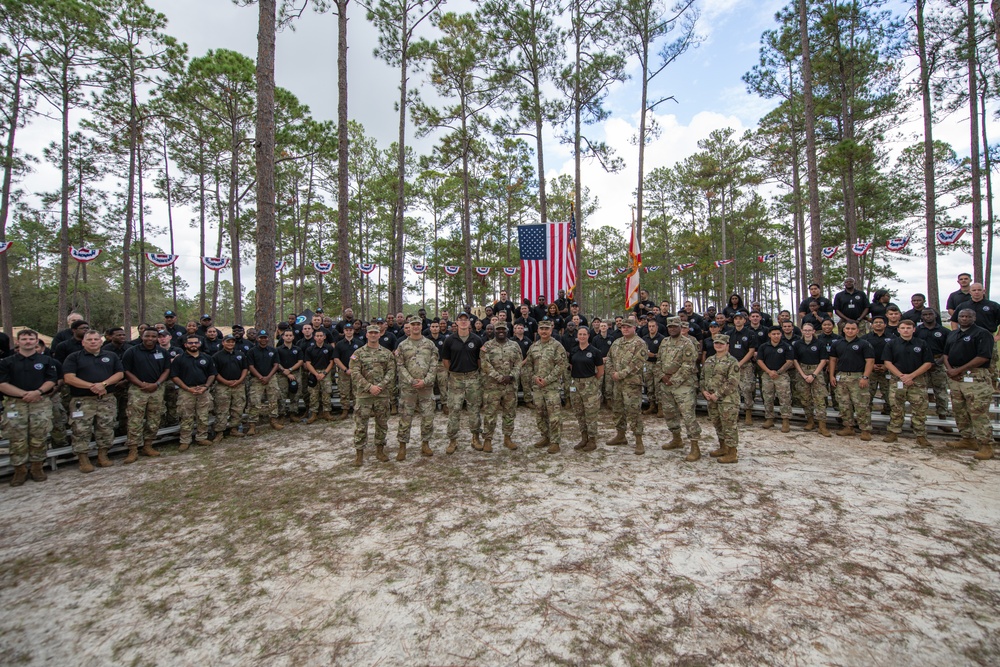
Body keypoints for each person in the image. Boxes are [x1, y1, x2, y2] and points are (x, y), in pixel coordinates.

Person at [0, 330, 59, 486]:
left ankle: (37, 467)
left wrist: (37, 392)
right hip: (16, 404)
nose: (27, 341)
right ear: (17, 342)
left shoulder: (46, 360)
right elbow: (2, 384)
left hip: (39, 402)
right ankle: (19, 470)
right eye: (24, 339)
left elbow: (52, 380)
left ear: (36, 341)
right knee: (16, 438)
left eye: (31, 339)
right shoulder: (6, 362)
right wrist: (25, 394)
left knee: (39, 435)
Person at [63, 331, 124, 472]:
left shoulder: (111, 356)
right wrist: (92, 386)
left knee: (106, 428)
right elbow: (69, 378)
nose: (93, 342)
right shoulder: (74, 357)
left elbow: (120, 374)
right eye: (89, 339)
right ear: (83, 342)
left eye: (96, 339)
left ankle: (102, 456)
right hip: (83, 400)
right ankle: (83, 460)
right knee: (81, 430)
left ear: (101, 342)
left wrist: (103, 384)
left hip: (106, 399)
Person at [944, 309, 996, 460]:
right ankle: (967, 439)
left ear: (974, 318)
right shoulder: (953, 334)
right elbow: (945, 354)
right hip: (954, 377)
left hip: (975, 377)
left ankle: (986, 445)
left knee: (977, 411)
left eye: (968, 316)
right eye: (962, 316)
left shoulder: (982, 334)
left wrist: (959, 370)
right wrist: (950, 370)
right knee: (959, 409)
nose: (964, 318)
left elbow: (983, 357)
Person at [121, 327, 171, 462]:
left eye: (153, 336)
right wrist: (140, 384)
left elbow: (167, 370)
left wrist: (157, 384)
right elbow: (126, 371)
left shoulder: (162, 352)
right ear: (142, 336)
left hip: (157, 389)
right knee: (135, 420)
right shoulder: (131, 352)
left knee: (154, 419)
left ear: (157, 338)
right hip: (138, 390)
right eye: (147, 336)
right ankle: (133, 450)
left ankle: (148, 446)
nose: (150, 339)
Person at [882, 319, 935, 447]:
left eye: (908, 328)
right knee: (896, 408)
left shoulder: (921, 344)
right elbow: (887, 362)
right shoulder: (891, 344)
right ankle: (893, 432)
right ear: (898, 330)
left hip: (917, 381)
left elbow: (928, 363)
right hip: (897, 380)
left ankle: (920, 435)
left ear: (914, 329)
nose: (906, 330)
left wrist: (911, 376)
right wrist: (901, 376)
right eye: (903, 328)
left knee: (919, 409)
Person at [350, 324, 396, 466]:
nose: (374, 335)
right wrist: (369, 387)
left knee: (382, 424)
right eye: (371, 333)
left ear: (380, 334)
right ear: (367, 335)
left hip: (382, 395)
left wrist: (380, 386)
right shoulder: (358, 353)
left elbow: (391, 372)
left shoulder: (387, 353)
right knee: (361, 425)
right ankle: (359, 453)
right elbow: (355, 372)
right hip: (364, 395)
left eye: (376, 333)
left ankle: (380, 450)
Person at [657, 316, 702, 460]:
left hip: (683, 384)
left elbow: (689, 365)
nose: (672, 329)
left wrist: (674, 380)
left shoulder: (687, 343)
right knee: (670, 413)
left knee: (688, 415)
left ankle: (695, 447)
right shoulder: (664, 342)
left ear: (680, 327)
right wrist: (662, 376)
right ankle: (677, 439)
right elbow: (658, 361)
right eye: (670, 327)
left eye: (675, 326)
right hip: (666, 383)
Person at [395, 317, 439, 459]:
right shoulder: (402, 345)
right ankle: (402, 446)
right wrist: (411, 380)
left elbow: (434, 365)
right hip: (408, 388)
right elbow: (400, 366)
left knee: (427, 417)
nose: (415, 327)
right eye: (412, 324)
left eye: (418, 324)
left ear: (421, 326)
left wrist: (425, 381)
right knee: (405, 417)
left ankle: (425, 444)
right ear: (409, 326)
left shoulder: (430, 345)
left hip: (426, 388)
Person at [441, 312, 484, 454]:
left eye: (466, 320)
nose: (464, 322)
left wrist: (473, 372)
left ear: (470, 323)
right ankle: (452, 441)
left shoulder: (477, 340)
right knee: (454, 410)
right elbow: (445, 360)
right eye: (461, 320)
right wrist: (454, 372)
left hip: (473, 378)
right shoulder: (450, 340)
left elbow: (479, 360)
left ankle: (475, 438)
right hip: (455, 379)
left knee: (474, 410)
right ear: (456, 322)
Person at [605, 316, 647, 455]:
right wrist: (612, 372)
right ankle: (620, 435)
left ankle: (638, 440)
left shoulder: (640, 343)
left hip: (631, 384)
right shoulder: (617, 343)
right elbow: (609, 358)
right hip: (617, 383)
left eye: (628, 327)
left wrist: (621, 374)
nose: (625, 329)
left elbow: (637, 363)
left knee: (633, 411)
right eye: (623, 327)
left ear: (634, 328)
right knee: (618, 410)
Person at [480, 322, 523, 453]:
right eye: (498, 329)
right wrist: (499, 377)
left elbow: (519, 363)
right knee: (490, 413)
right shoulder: (487, 346)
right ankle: (488, 440)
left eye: (503, 329)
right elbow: (485, 364)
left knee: (509, 413)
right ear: (494, 331)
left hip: (510, 386)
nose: (500, 331)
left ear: (507, 331)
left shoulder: (514, 346)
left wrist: (511, 376)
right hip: (492, 386)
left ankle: (507, 438)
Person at [525, 318, 566, 454]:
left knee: (554, 415)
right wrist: (535, 378)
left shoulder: (557, 346)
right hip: (537, 387)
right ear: (538, 330)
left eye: (546, 329)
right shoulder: (533, 347)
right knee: (540, 414)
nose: (544, 331)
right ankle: (545, 437)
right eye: (541, 329)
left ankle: (555, 442)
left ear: (551, 330)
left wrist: (547, 380)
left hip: (551, 387)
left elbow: (561, 366)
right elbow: (529, 365)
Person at [829, 321, 875, 440]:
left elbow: (870, 361)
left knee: (861, 405)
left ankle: (865, 429)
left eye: (853, 329)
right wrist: (832, 375)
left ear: (857, 330)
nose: (850, 331)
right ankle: (848, 427)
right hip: (842, 377)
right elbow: (833, 360)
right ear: (843, 330)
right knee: (844, 404)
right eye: (848, 328)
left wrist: (865, 377)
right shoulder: (837, 344)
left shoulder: (864, 344)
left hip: (858, 377)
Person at [171, 334, 218, 450]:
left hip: (203, 390)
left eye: (195, 343)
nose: (193, 345)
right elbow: (174, 376)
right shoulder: (179, 359)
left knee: (203, 415)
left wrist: (206, 386)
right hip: (187, 391)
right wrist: (187, 388)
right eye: (190, 343)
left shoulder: (206, 358)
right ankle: (185, 440)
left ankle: (201, 438)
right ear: (185, 345)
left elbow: (212, 374)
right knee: (186, 416)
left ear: (199, 344)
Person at [701, 335, 741, 464]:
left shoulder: (732, 361)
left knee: (729, 426)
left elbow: (732, 382)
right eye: (716, 343)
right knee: (718, 424)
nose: (718, 345)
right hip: (711, 399)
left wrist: (718, 394)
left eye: (721, 343)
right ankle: (723, 447)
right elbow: (702, 377)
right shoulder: (709, 360)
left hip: (727, 400)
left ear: (727, 345)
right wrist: (704, 391)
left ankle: (732, 453)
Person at [949, 283, 1000, 382]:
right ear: (970, 292)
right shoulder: (963, 306)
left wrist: (998, 336)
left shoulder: (993, 306)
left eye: (979, 290)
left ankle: (993, 385)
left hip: (987, 338)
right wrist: (955, 333)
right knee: (968, 360)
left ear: (983, 291)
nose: (977, 292)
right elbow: (954, 320)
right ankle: (969, 381)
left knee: (991, 361)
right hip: (966, 337)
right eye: (974, 290)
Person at [915, 308, 953, 429]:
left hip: (938, 364)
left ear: (935, 315)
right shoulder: (917, 331)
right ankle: (919, 420)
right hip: (920, 365)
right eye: (925, 315)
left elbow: (948, 350)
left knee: (940, 392)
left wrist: (938, 362)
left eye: (930, 314)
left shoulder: (944, 331)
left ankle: (943, 418)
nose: (928, 316)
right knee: (920, 393)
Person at [792, 323, 831, 436]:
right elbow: (795, 360)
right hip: (802, 371)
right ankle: (810, 421)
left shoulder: (820, 343)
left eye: (809, 330)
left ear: (814, 331)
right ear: (802, 331)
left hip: (816, 371)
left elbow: (823, 360)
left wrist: (814, 375)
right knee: (805, 398)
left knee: (819, 399)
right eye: (805, 330)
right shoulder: (798, 344)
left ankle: (822, 425)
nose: (807, 332)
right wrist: (803, 375)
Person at [756, 326, 795, 432]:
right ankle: (769, 419)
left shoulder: (787, 346)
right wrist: (769, 372)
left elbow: (790, 361)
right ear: (769, 335)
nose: (776, 336)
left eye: (778, 334)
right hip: (767, 375)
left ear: (781, 334)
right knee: (768, 398)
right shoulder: (763, 347)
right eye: (773, 334)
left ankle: (785, 421)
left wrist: (778, 372)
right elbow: (759, 360)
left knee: (784, 398)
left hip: (781, 376)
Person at [212, 335, 249, 439]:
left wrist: (240, 381)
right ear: (223, 343)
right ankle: (219, 432)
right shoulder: (217, 356)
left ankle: (234, 429)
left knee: (237, 408)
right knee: (221, 409)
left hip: (238, 385)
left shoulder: (240, 354)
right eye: (228, 342)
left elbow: (245, 369)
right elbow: (215, 372)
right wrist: (226, 382)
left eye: (232, 342)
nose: (230, 344)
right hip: (223, 387)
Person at [247, 330, 284, 433]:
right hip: (256, 380)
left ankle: (273, 420)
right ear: (257, 339)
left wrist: (268, 377)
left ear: (268, 338)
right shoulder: (252, 351)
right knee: (254, 402)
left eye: (265, 337)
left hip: (271, 378)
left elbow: (276, 364)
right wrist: (260, 377)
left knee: (273, 400)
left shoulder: (273, 350)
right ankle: (252, 425)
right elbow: (250, 366)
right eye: (261, 338)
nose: (263, 340)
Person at [728, 312, 758, 424]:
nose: (738, 321)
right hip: (732, 365)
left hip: (746, 365)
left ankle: (748, 414)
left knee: (747, 389)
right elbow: (727, 348)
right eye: (736, 319)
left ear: (745, 320)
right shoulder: (729, 333)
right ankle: (735, 413)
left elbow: (751, 351)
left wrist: (740, 363)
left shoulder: (750, 334)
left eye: (740, 319)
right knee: (733, 390)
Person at [862, 316, 895, 415]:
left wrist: (887, 366)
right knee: (867, 395)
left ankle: (890, 415)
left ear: (885, 324)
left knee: (890, 395)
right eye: (876, 322)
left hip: (887, 370)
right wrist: (871, 366)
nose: (878, 324)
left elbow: (897, 354)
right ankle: (866, 416)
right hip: (870, 371)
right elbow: (860, 355)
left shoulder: (893, 338)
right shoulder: (865, 338)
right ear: (872, 325)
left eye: (881, 322)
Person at [304, 329, 335, 423]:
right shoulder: (310, 349)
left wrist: (324, 373)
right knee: (314, 394)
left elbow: (332, 362)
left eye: (321, 336)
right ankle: (314, 414)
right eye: (317, 336)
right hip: (314, 373)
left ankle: (327, 412)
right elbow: (308, 363)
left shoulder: (329, 348)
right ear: (314, 337)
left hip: (326, 372)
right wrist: (316, 374)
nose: (319, 338)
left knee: (326, 393)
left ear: (324, 337)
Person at [333, 322, 362, 420]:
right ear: (344, 331)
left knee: (357, 392)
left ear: (353, 331)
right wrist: (345, 369)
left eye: (350, 330)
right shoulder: (339, 344)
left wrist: (355, 370)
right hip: (344, 372)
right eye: (347, 330)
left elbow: (362, 358)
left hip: (357, 372)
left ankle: (357, 410)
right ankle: (345, 410)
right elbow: (336, 359)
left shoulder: (359, 343)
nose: (349, 332)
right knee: (344, 391)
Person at [275, 329, 304, 422]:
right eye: (286, 335)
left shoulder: (297, 349)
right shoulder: (278, 349)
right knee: (281, 395)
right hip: (282, 374)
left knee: (295, 394)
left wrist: (290, 370)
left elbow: (300, 361)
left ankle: (293, 413)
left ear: (293, 337)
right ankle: (281, 415)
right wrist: (285, 372)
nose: (288, 337)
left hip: (295, 374)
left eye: (290, 335)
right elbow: (276, 362)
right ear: (283, 337)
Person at [641, 318, 665, 417]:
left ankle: (660, 408)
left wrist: (654, 355)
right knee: (649, 386)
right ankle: (652, 406)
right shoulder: (644, 338)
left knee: (658, 387)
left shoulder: (662, 339)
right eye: (649, 326)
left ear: (657, 327)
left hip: (658, 365)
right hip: (647, 365)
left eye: (653, 326)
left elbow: (665, 354)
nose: (651, 328)